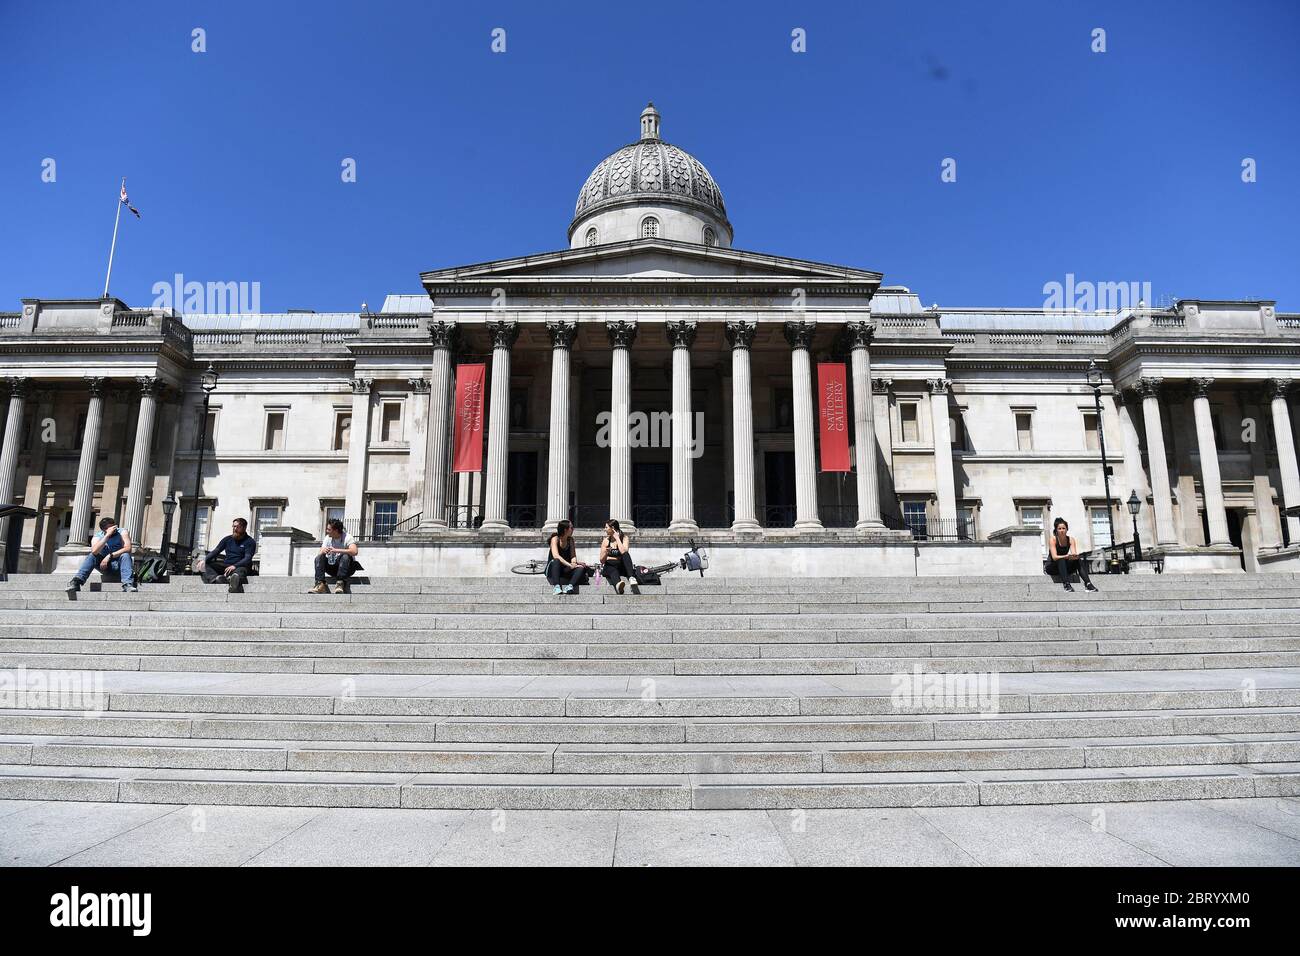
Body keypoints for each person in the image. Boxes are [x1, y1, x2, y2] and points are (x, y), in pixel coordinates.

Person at [66, 517, 136, 595]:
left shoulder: (122, 532)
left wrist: (110, 556)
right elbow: (94, 551)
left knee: (125, 555)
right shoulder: (97, 536)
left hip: (119, 565)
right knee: (92, 556)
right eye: (111, 527)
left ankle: (127, 584)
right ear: (104, 529)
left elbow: (128, 548)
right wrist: (107, 536)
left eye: (114, 526)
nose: (114, 529)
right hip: (104, 566)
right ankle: (77, 581)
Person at [203, 518, 257, 593]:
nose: (235, 529)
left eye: (237, 527)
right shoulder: (227, 539)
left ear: (244, 528)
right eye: (233, 526)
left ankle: (234, 582)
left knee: (239, 572)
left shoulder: (250, 541)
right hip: (226, 566)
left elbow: (247, 558)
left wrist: (235, 566)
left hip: (240, 566)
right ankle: (216, 579)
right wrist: (203, 560)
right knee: (204, 565)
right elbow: (215, 551)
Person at [311, 518, 361, 594]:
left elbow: (354, 551)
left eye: (329, 529)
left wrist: (336, 550)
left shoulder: (347, 537)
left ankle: (340, 583)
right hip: (332, 568)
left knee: (345, 556)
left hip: (347, 568)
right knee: (319, 557)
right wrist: (323, 551)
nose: (327, 531)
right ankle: (320, 584)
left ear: (336, 530)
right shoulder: (327, 538)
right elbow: (319, 554)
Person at [1048, 517, 1098, 593]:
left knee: (1077, 560)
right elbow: (1054, 557)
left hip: (1065, 567)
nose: (1062, 530)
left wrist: (1075, 556)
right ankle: (1066, 585)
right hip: (1052, 567)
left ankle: (1088, 584)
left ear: (1067, 529)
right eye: (1059, 529)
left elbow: (1074, 554)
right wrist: (1066, 557)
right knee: (1061, 559)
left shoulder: (1071, 539)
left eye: (1063, 528)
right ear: (1056, 530)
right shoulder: (1053, 539)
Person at [545, 520, 588, 595]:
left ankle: (570, 586)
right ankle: (557, 587)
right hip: (553, 569)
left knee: (580, 567)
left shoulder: (570, 540)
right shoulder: (555, 539)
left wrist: (574, 564)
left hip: (565, 569)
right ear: (565, 530)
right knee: (556, 561)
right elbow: (556, 556)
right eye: (571, 527)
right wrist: (570, 565)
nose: (573, 529)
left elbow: (573, 556)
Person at [599, 518, 638, 594]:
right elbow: (602, 560)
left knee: (625, 554)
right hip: (609, 566)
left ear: (612, 528)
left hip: (621, 566)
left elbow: (624, 552)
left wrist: (617, 538)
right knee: (610, 567)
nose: (605, 529)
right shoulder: (606, 540)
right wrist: (606, 553)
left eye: (606, 527)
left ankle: (631, 577)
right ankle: (618, 584)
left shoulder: (624, 538)